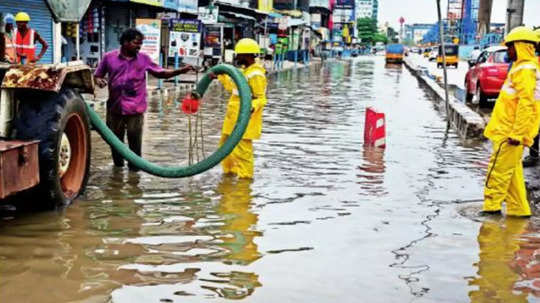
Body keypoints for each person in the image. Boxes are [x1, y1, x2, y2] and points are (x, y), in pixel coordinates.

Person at [94, 28, 195, 171]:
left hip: (135, 109)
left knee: (135, 144)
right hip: (114, 108)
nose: (139, 46)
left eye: (140, 44)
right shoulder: (109, 57)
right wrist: (99, 81)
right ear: (125, 42)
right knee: (115, 143)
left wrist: (180, 71)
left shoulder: (144, 59)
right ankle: (117, 171)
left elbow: (161, 73)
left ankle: (134, 175)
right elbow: (98, 75)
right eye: (136, 43)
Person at [482, 26, 540, 217]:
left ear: (520, 46)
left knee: (497, 172)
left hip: (509, 134)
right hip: (509, 131)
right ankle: (519, 211)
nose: (508, 51)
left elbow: (527, 105)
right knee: (513, 176)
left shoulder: (525, 70)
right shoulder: (524, 68)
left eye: (510, 47)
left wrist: (516, 133)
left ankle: (491, 211)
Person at [209, 38, 267, 178]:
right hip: (232, 118)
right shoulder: (243, 72)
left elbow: (260, 98)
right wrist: (220, 75)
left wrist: (251, 107)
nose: (237, 58)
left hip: (244, 121)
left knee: (242, 152)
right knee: (225, 149)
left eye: (239, 55)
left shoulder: (256, 74)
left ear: (247, 55)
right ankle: (229, 175)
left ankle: (244, 183)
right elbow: (231, 86)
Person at [522, 28, 540, 167]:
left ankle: (534, 155)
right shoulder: (533, 60)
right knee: (535, 129)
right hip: (536, 100)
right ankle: (534, 155)